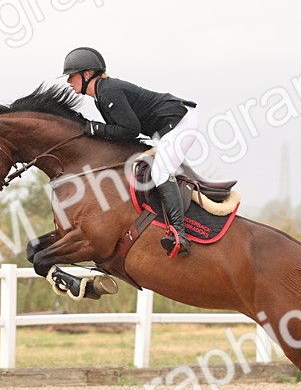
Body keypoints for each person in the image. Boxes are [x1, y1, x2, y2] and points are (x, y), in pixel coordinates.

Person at [61, 46, 200, 256]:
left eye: (72, 76)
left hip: (180, 121)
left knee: (160, 172)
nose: (68, 82)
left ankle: (180, 235)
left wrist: (95, 128)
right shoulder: (101, 94)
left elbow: (130, 130)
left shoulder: (108, 90)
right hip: (164, 127)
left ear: (87, 74)